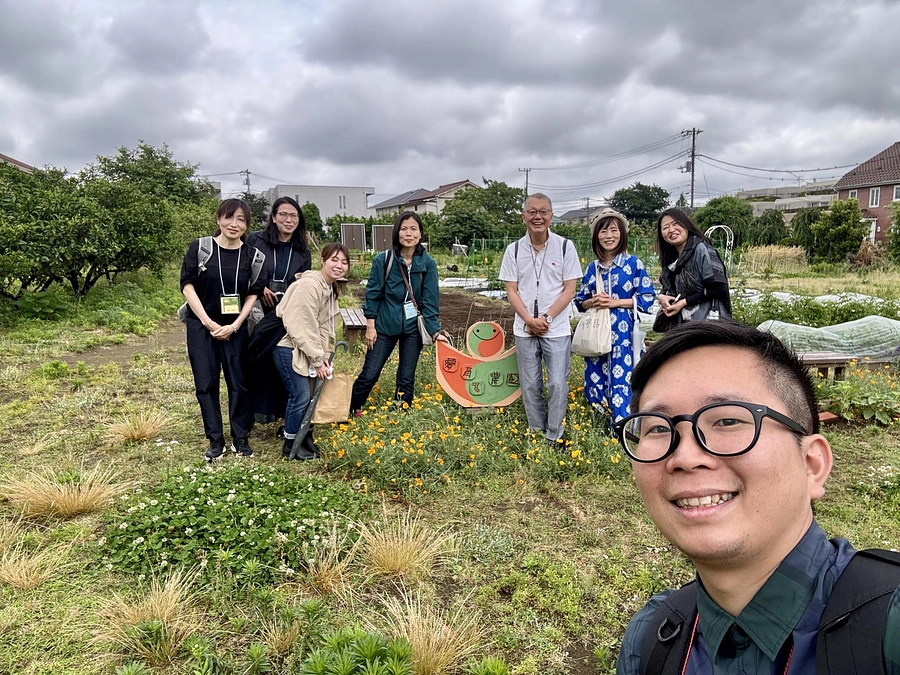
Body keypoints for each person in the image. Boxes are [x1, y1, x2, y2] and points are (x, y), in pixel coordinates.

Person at [614, 321, 900, 675]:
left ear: (811, 465)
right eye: (658, 427)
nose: (685, 458)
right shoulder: (651, 640)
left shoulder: (890, 626)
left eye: (728, 421)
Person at [180, 198, 265, 460]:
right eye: (229, 217)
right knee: (205, 383)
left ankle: (240, 437)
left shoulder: (253, 255)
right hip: (201, 326)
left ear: (247, 225)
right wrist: (207, 321)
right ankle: (215, 439)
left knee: (239, 383)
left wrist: (236, 324)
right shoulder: (201, 247)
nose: (234, 223)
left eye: (241, 219)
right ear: (219, 219)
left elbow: (254, 292)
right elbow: (187, 285)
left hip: (235, 328)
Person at [499, 193, 582, 443]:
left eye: (543, 211)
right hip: (524, 329)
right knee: (531, 383)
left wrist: (546, 317)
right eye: (532, 212)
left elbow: (570, 289)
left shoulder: (565, 246)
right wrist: (528, 319)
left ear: (551, 216)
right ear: (524, 217)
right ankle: (536, 430)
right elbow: (511, 291)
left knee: (557, 383)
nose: (538, 217)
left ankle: (554, 435)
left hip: (555, 329)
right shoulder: (513, 250)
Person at [349, 211, 447, 415]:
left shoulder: (427, 263)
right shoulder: (383, 260)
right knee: (370, 372)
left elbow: (430, 301)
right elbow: (373, 294)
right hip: (384, 326)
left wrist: (435, 331)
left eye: (413, 229)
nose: (408, 234)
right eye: (404, 229)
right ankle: (350, 408)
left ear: (420, 234)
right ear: (397, 232)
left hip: (412, 328)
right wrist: (370, 325)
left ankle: (400, 413)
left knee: (406, 376)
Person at [574, 208, 655, 423]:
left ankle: (624, 424)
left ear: (622, 234)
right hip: (597, 329)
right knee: (595, 375)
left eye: (613, 230)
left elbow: (647, 297)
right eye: (603, 232)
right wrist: (594, 301)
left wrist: (615, 302)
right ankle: (601, 421)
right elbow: (579, 301)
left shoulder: (633, 264)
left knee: (624, 375)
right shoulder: (593, 268)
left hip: (623, 330)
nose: (608, 236)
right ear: (596, 237)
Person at [274, 243, 349, 460]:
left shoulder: (328, 287)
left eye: (344, 262)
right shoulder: (309, 286)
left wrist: (324, 356)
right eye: (334, 260)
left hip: (307, 349)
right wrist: (317, 359)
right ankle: (290, 444)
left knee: (311, 396)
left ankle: (304, 438)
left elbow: (325, 326)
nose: (339, 265)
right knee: (301, 395)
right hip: (289, 348)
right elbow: (302, 326)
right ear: (323, 260)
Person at [246, 198, 312, 435]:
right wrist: (259, 286)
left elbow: (303, 282)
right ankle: (250, 414)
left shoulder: (302, 249)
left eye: (294, 216)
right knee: (256, 361)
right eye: (283, 214)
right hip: (256, 311)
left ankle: (286, 417)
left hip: (285, 314)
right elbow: (243, 268)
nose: (289, 220)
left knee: (285, 362)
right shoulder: (256, 240)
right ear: (273, 217)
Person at [655, 208, 731, 327]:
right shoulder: (672, 261)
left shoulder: (702, 249)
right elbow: (668, 288)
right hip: (683, 326)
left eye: (676, 224)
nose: (671, 230)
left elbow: (719, 287)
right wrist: (661, 297)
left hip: (709, 326)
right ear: (662, 235)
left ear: (686, 225)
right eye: (665, 228)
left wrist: (683, 302)